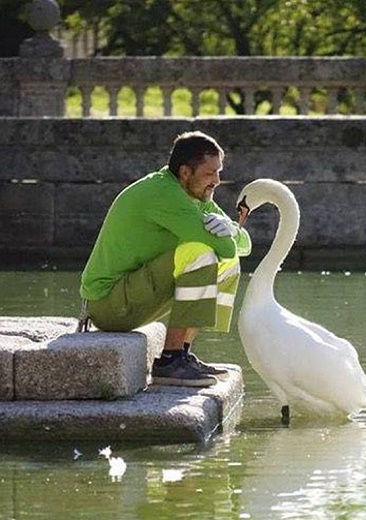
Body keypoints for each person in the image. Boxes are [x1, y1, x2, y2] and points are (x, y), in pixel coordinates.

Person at [79, 131, 251, 388]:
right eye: (210, 173)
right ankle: (169, 361)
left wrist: (232, 228)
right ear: (185, 172)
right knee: (200, 253)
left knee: (227, 264)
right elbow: (225, 247)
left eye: (219, 172)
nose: (217, 180)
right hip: (108, 304)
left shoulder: (197, 195)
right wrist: (229, 234)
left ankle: (181, 353)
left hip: (134, 298)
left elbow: (243, 246)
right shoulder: (163, 193)